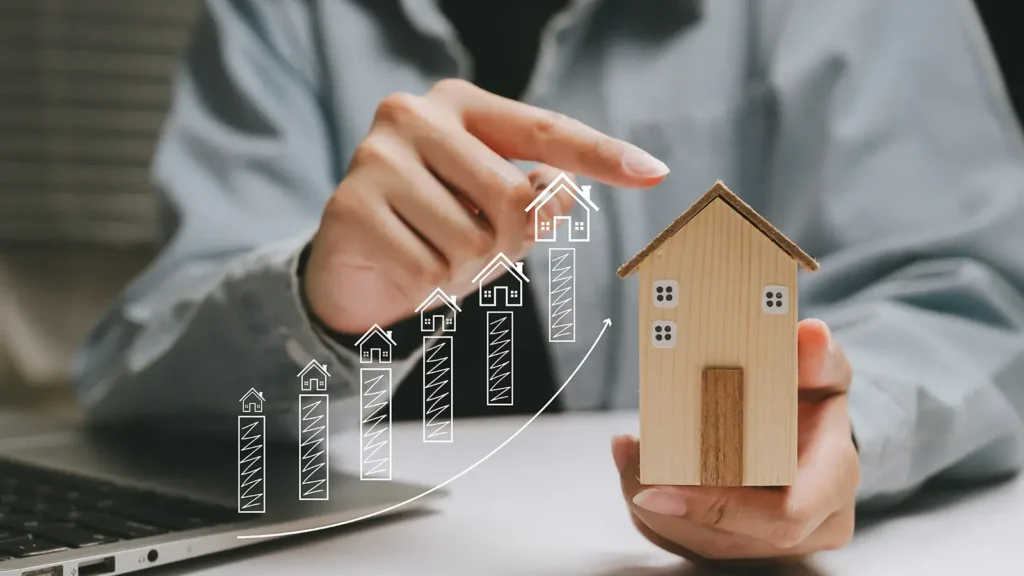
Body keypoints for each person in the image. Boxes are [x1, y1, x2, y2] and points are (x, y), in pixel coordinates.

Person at [73, 0, 1024, 563]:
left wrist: (839, 430)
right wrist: (317, 308)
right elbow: (139, 363)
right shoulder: (282, 15)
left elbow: (974, 288)